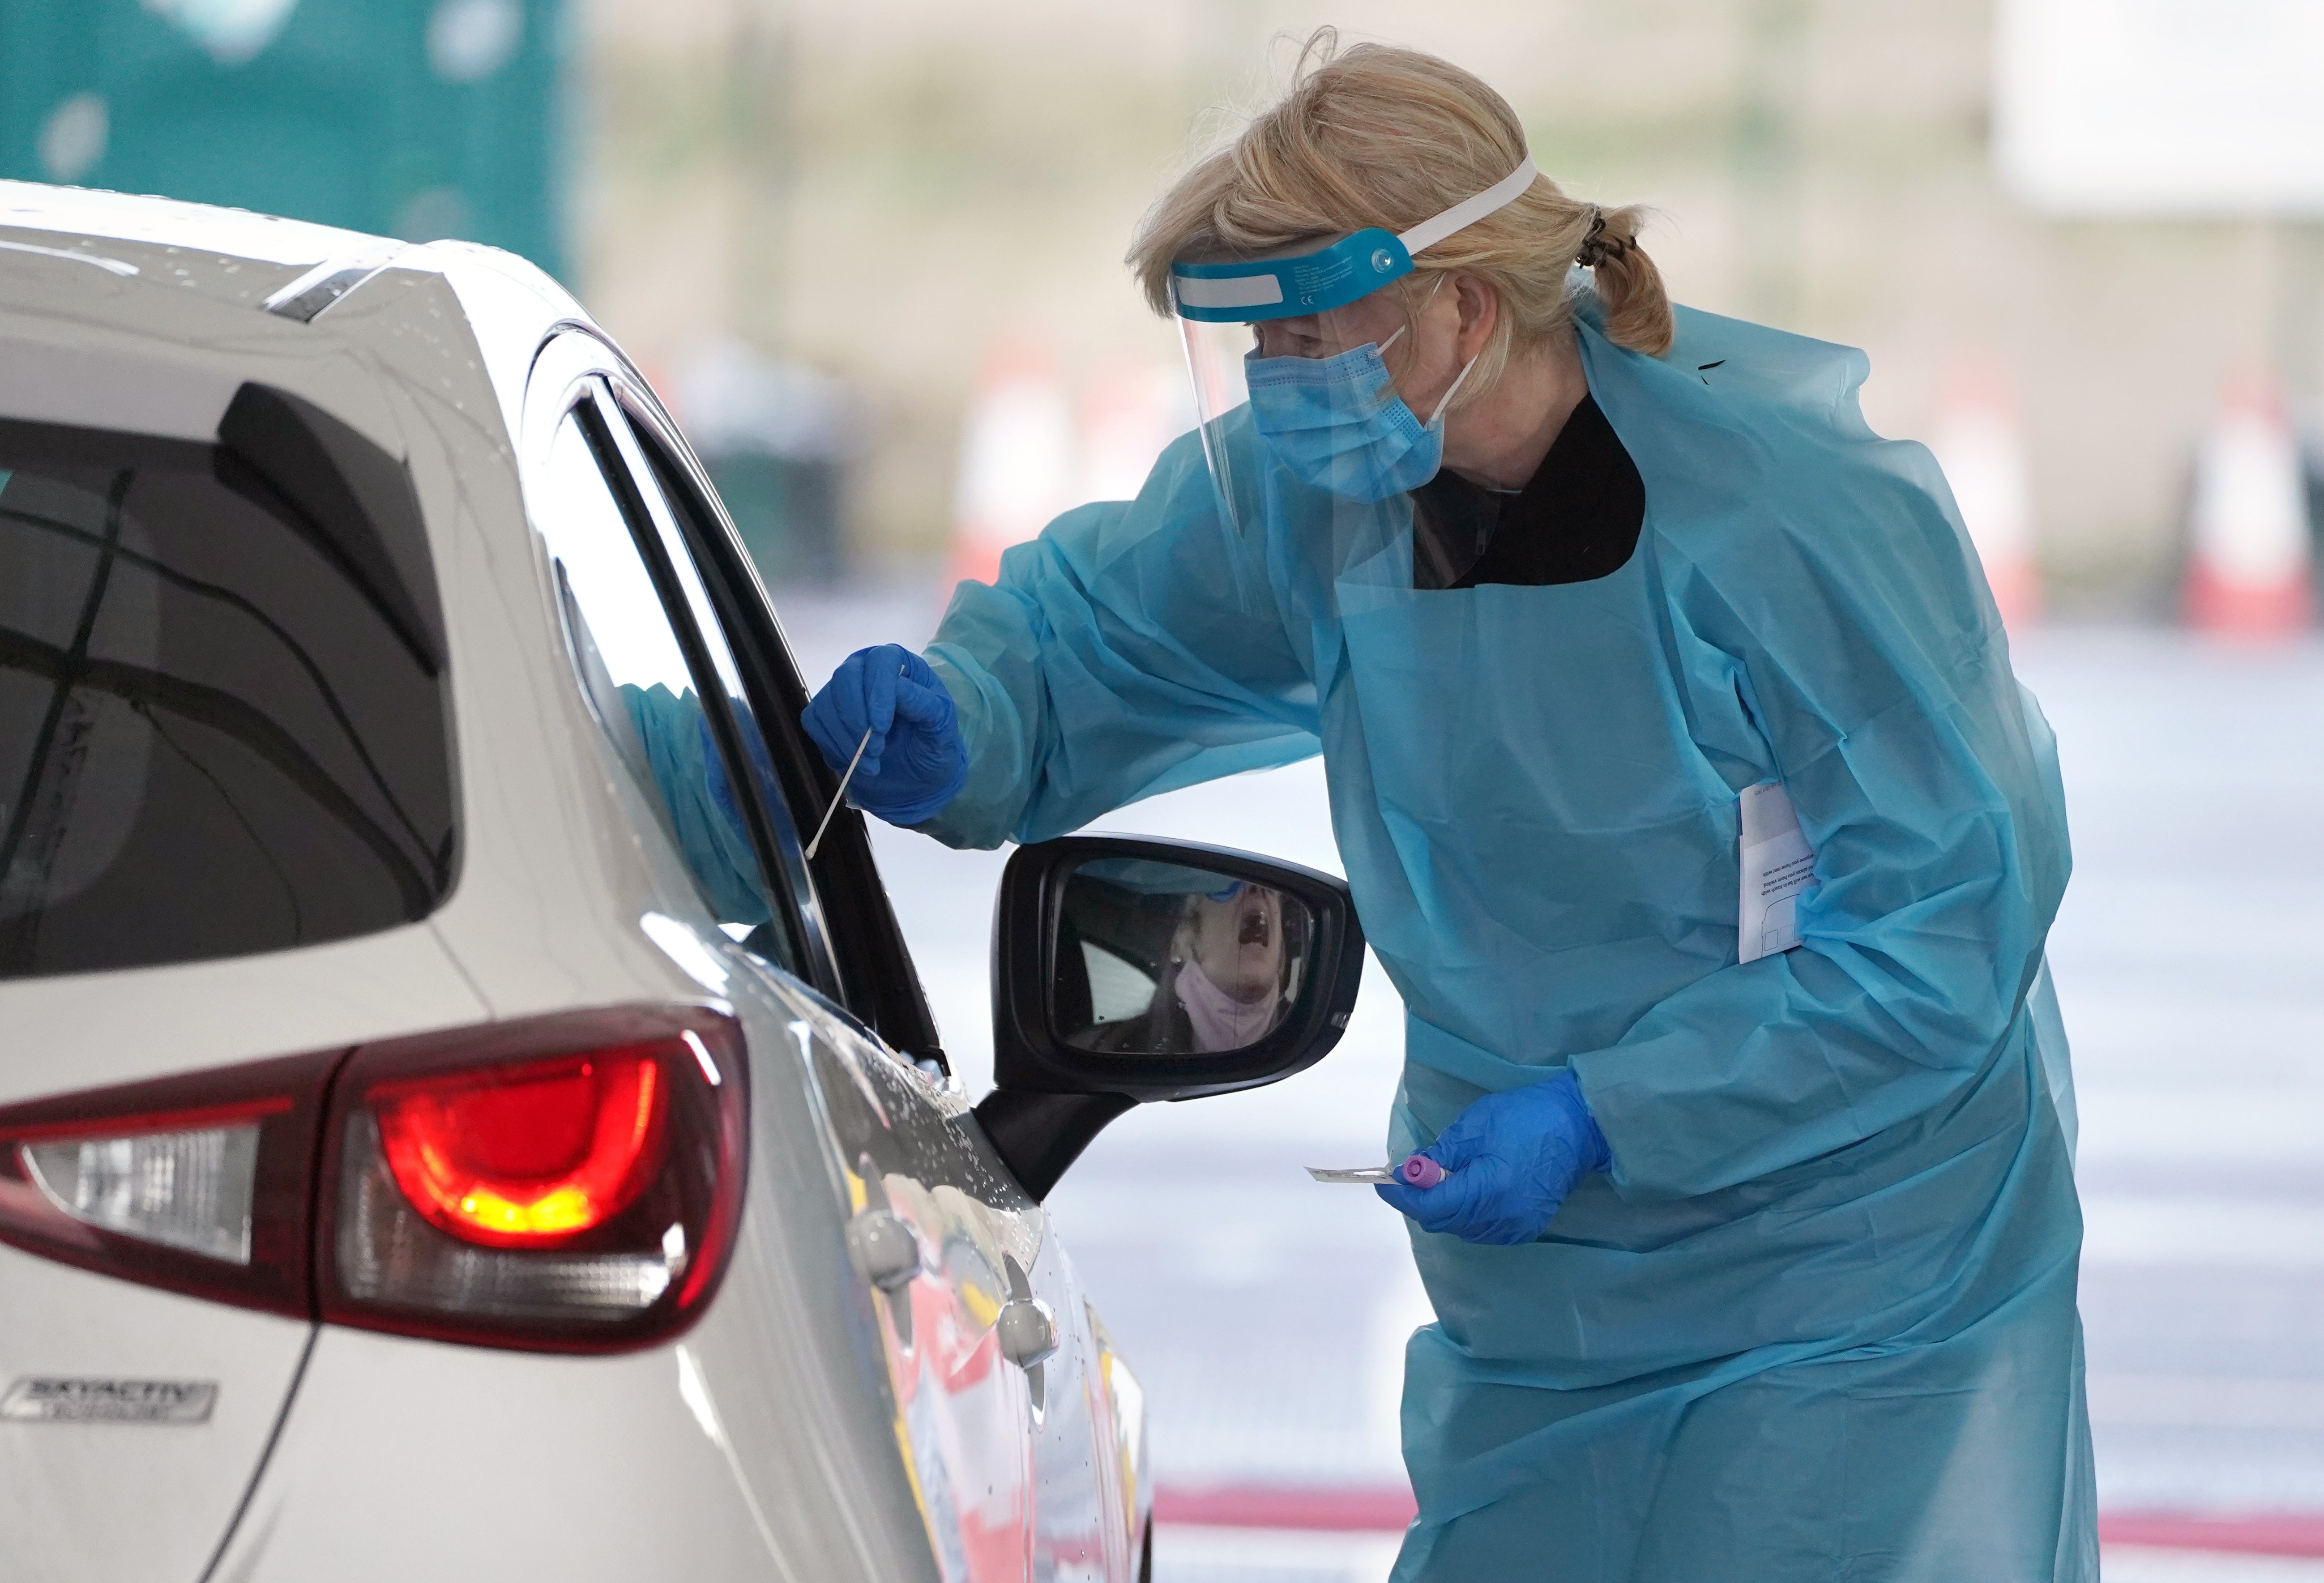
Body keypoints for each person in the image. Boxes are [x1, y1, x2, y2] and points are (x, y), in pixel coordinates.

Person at [803, 35, 2093, 1582]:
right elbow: (1107, 632)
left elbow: (1943, 932)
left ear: (1461, 309)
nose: (1278, 388)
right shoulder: (1337, 497)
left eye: (1303, 339)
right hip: (1545, 1304)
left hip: (1850, 1288)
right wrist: (968, 718)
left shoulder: (1784, 516)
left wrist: (1610, 1107)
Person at [1071, 879, 1292, 1054]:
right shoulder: (1101, 1052)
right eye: (1224, 886)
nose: (1258, 889)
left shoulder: (1311, 1043)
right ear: (1182, 942)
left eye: (1273, 890)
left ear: (1281, 957)